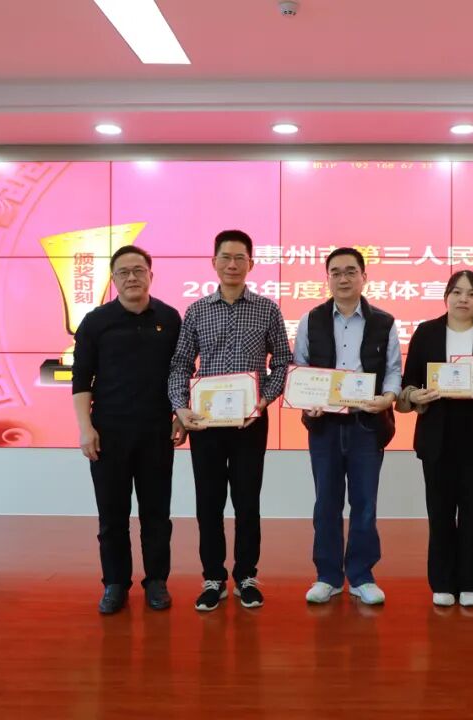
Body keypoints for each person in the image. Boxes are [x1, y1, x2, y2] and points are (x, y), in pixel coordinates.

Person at [168, 229, 294, 612]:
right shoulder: (196, 311)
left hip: (249, 423)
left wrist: (263, 401)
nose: (233, 265)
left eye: (240, 258)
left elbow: (283, 363)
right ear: (214, 262)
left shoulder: (267, 309)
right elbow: (180, 364)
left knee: (246, 502)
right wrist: (181, 407)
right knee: (208, 502)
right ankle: (213, 578)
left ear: (251, 263)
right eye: (226, 257)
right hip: (205, 424)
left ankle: (246, 576)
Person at [72, 245, 185, 615]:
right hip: (109, 433)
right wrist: (86, 428)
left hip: (156, 432)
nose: (132, 277)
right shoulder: (96, 322)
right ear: (113, 279)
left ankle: (157, 581)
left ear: (151, 274)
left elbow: (182, 371)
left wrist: (180, 415)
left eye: (139, 270)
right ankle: (115, 583)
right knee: (112, 516)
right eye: (123, 272)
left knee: (157, 514)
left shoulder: (169, 318)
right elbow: (81, 379)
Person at [397, 270, 473, 608]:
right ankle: (442, 581)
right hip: (437, 434)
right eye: (457, 292)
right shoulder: (426, 332)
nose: (464, 299)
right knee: (440, 513)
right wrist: (415, 395)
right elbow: (409, 381)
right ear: (446, 296)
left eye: (472, 293)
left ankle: (470, 582)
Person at [293, 248, 401, 606]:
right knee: (326, 502)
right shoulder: (310, 320)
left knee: (364, 503)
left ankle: (361, 575)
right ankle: (327, 576)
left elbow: (393, 370)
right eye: (336, 272)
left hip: (366, 424)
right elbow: (300, 366)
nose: (343, 278)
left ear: (364, 277)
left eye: (351, 271)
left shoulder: (384, 321)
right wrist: (306, 399)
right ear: (327, 278)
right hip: (324, 425)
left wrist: (388, 398)